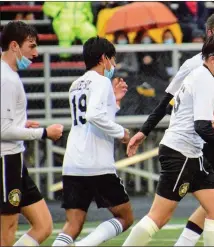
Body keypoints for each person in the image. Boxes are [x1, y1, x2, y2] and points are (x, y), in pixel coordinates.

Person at [127, 13, 214, 247]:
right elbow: (170, 103)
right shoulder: (196, 69)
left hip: (207, 138)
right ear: (212, 36)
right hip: (196, 142)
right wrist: (145, 130)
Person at [122, 32, 214, 247]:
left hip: (191, 154)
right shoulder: (206, 79)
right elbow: (200, 126)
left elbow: (193, 115)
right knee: (159, 216)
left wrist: (209, 116)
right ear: (213, 58)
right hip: (181, 153)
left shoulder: (199, 74)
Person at [52, 37, 133, 246]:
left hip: (73, 162)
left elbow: (92, 115)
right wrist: (121, 132)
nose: (113, 66)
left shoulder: (76, 84)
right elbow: (94, 116)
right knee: (125, 217)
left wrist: (113, 102)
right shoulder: (102, 81)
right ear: (104, 58)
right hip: (96, 163)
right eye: (113, 60)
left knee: (73, 224)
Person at [0, 21, 63, 246]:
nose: (35, 53)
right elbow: (3, 130)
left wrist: (22, 125)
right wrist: (44, 133)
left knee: (44, 226)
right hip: (6, 160)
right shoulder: (6, 79)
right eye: (32, 46)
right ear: (15, 46)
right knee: (7, 230)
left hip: (15, 159)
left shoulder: (10, 75)